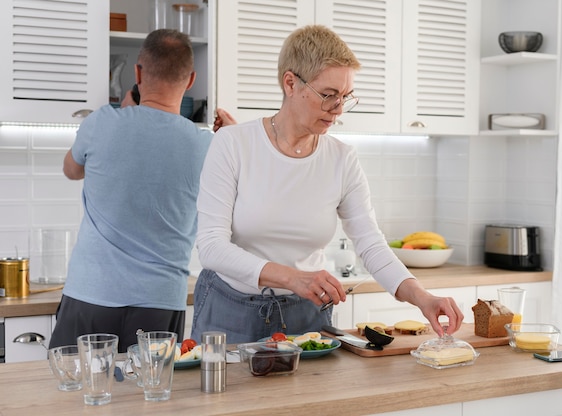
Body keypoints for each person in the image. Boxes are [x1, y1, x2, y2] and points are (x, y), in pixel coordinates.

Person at [191, 25, 464, 344]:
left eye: (345, 97)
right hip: (230, 310)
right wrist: (293, 278)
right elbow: (211, 246)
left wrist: (422, 297)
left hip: (306, 316)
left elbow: (371, 244)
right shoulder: (233, 143)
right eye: (328, 95)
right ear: (290, 83)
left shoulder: (341, 158)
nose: (338, 109)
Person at [49, 29, 225, 351]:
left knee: (73, 395)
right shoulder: (210, 146)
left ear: (138, 73)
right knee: (150, 396)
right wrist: (232, 139)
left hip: (92, 295)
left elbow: (70, 170)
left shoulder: (102, 122)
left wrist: (122, 123)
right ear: (190, 81)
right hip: (160, 302)